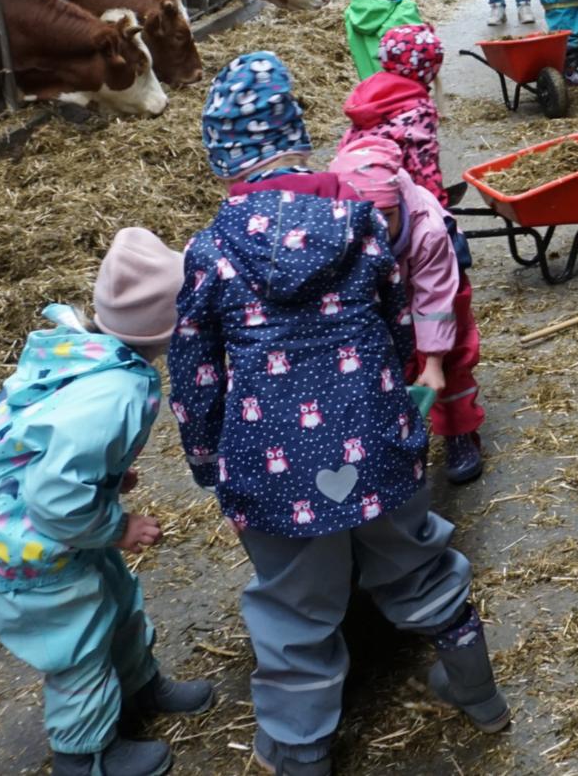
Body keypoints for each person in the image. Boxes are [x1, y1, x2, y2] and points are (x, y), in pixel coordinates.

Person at [173, 53, 508, 776]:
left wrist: (206, 459)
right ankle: (480, 693)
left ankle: (299, 751)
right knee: (416, 563)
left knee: (294, 610)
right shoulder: (360, 222)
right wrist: (400, 409)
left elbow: (196, 373)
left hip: (273, 466)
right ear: (298, 140)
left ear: (225, 161)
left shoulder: (210, 250)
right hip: (377, 441)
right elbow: (395, 326)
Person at [0, 229, 214, 776]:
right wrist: (116, 526)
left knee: (117, 596)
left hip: (25, 512)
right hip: (14, 537)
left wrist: (107, 474)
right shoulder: (116, 392)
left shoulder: (87, 349)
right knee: (78, 641)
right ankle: (85, 756)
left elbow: (51, 440)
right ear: (170, 328)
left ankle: (139, 690)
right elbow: (57, 495)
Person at [330, 138, 487, 485]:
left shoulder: (426, 230)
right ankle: (401, 431)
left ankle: (459, 431)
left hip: (439, 287)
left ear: (399, 204)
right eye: (365, 222)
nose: (378, 231)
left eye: (386, 218)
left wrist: (432, 360)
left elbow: (434, 300)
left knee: (451, 361)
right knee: (393, 361)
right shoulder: (340, 228)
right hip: (392, 288)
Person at [338, 23, 446, 204]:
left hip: (350, 187)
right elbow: (423, 166)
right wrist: (439, 209)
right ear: (430, 69)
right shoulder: (418, 109)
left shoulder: (370, 94)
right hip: (390, 196)